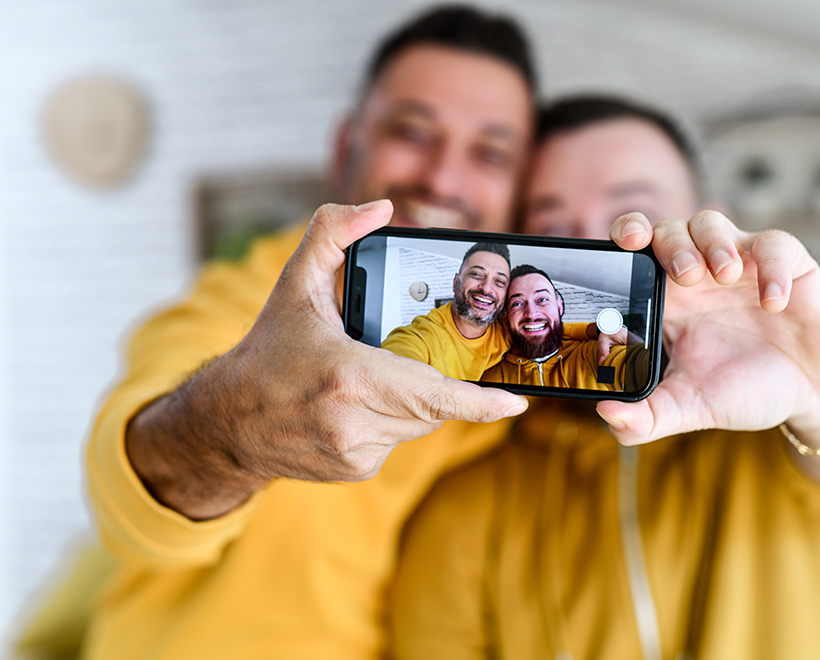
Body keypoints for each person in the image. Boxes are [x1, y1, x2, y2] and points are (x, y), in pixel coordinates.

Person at [388, 96, 820, 659]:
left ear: (711, 218)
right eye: (552, 226)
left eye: (634, 212)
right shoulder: (462, 513)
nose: (600, 241)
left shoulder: (789, 423)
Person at [73, 7, 539, 660]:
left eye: (489, 152)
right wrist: (233, 430)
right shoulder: (252, 294)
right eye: (412, 130)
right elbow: (127, 491)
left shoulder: (530, 353)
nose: (442, 177)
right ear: (346, 149)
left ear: (520, 193)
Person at [380, 243, 605, 380]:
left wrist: (600, 330)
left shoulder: (506, 328)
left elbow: (549, 326)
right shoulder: (424, 335)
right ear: (456, 282)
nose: (487, 288)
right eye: (477, 274)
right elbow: (393, 362)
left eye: (499, 281)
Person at [480, 264, 633, 389]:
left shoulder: (593, 355)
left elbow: (629, 367)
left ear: (559, 307)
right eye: (517, 303)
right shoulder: (489, 379)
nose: (532, 314)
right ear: (506, 314)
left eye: (542, 300)